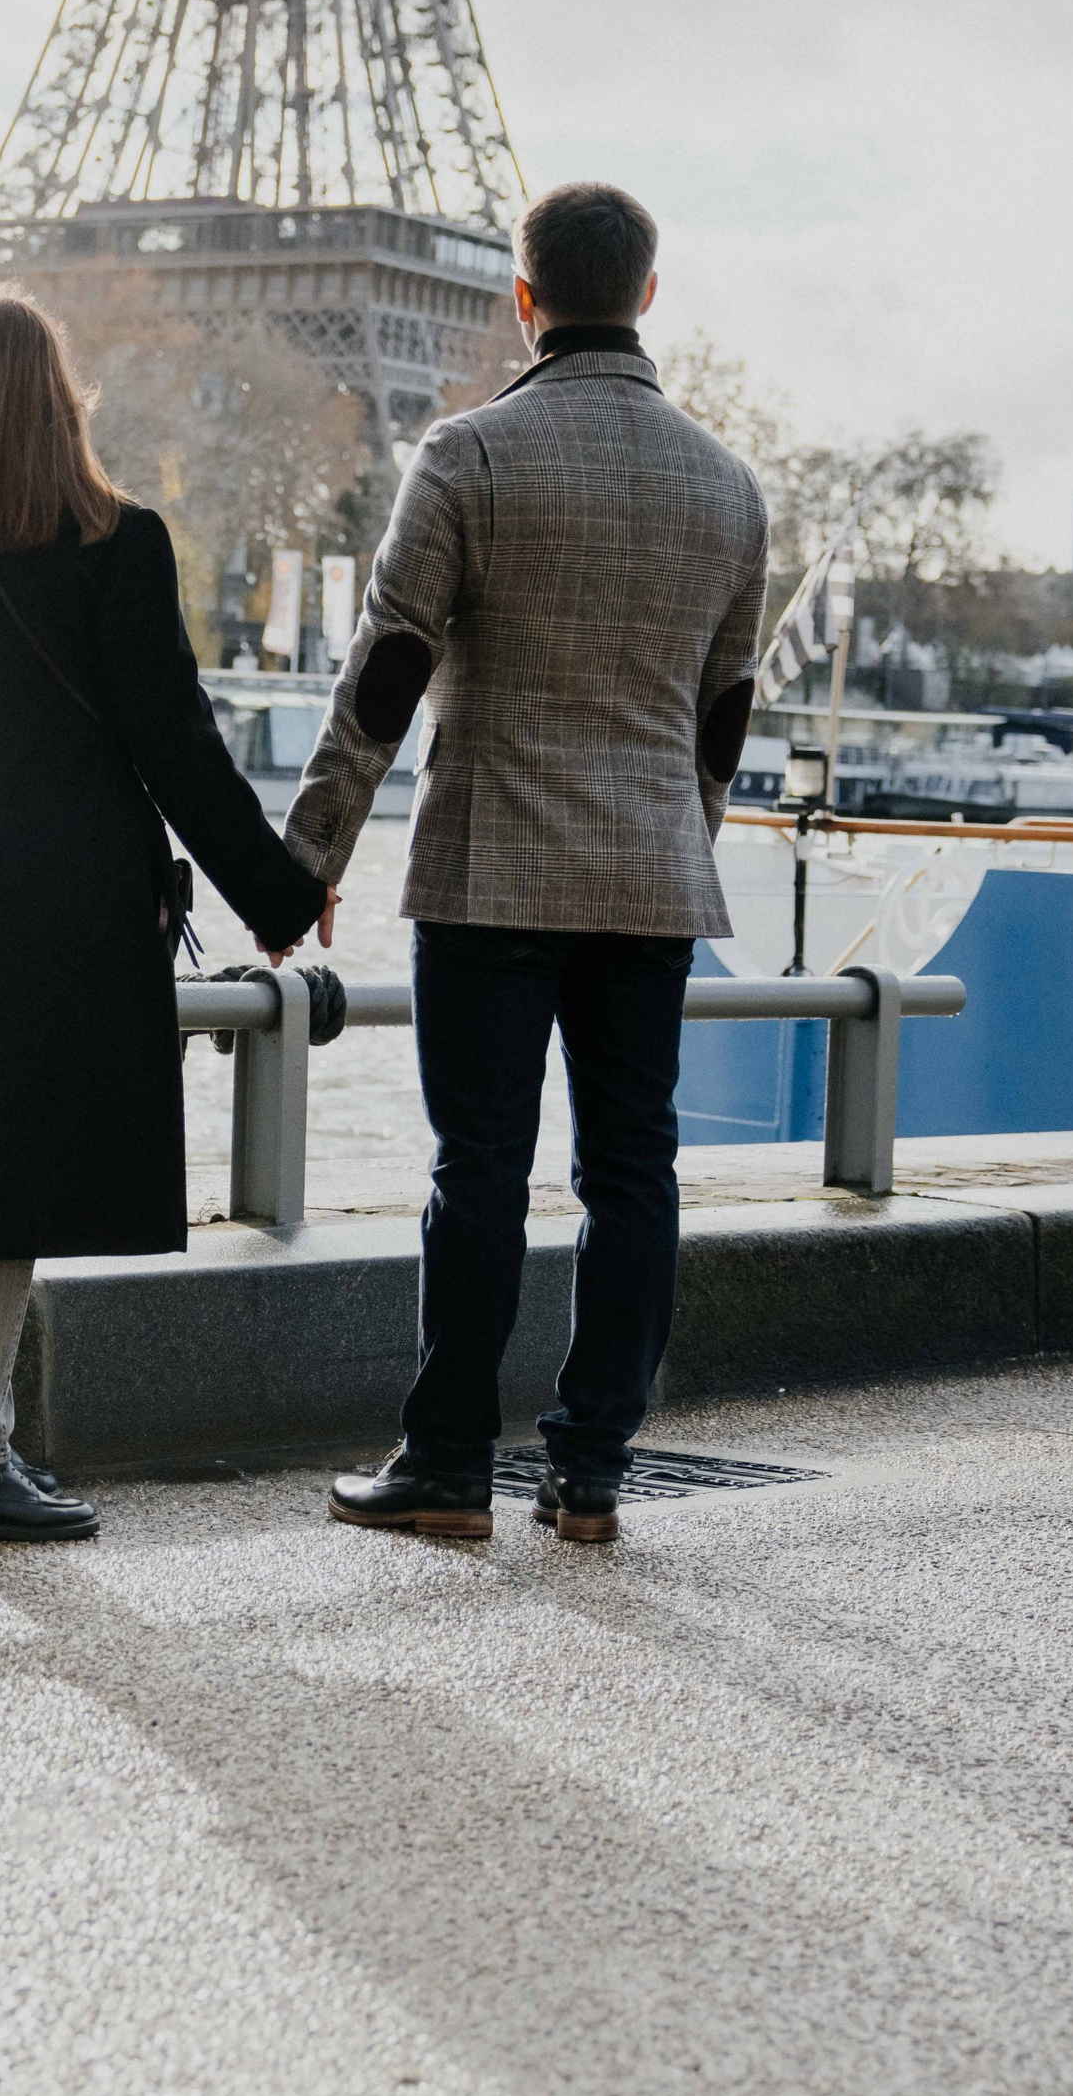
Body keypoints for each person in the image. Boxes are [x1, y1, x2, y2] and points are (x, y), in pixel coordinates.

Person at [283, 182, 768, 1546]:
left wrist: (310, 852)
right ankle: (593, 1467)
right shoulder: (729, 488)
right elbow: (722, 716)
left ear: (523, 296)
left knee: (478, 1169)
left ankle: (445, 1464)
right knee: (635, 1170)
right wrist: (679, 839)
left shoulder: (470, 455)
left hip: (492, 867)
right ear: (649, 296)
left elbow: (385, 669)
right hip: (651, 880)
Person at [0, 285, 333, 1547]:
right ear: (60, 400)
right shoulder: (114, 540)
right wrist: (278, 895)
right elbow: (175, 746)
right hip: (55, 911)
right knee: (1, 1171)